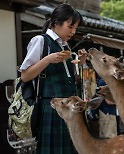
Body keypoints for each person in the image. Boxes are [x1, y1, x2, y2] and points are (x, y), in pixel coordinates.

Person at [19, 4, 87, 154]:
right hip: (51, 107)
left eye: (75, 28)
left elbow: (68, 78)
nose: (73, 32)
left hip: (68, 108)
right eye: (71, 27)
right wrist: (48, 59)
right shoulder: (40, 40)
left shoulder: (65, 46)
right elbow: (25, 76)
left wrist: (80, 62)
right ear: (56, 23)